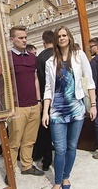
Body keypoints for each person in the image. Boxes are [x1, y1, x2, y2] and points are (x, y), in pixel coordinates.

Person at [42, 26, 97, 189]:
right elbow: (48, 88)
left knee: (72, 146)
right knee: (59, 148)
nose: (62, 38)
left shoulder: (79, 56)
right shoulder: (49, 62)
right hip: (57, 111)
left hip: (76, 108)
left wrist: (93, 105)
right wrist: (45, 111)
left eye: (64, 35)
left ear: (69, 37)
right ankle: (57, 182)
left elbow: (90, 80)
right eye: (59, 36)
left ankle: (66, 178)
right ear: (55, 40)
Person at [5, 25, 44, 184]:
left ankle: (27, 165)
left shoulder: (32, 57)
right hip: (17, 106)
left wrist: (39, 100)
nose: (24, 40)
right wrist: (9, 106)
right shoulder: (7, 57)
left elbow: (35, 79)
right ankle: (10, 169)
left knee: (30, 139)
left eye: (25, 37)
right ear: (12, 39)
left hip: (33, 105)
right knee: (14, 142)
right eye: (20, 38)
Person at [33, 30, 54, 171]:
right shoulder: (60, 54)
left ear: (43, 42)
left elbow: (38, 81)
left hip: (45, 99)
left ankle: (46, 162)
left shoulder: (39, 58)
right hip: (60, 99)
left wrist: (39, 100)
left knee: (45, 131)